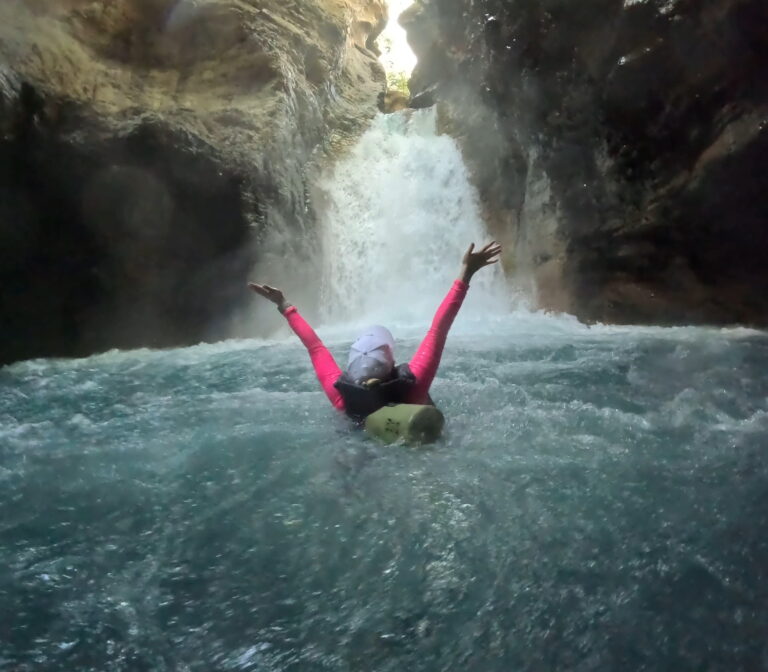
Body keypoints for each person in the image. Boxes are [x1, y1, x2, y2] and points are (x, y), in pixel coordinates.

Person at [248, 241, 501, 423]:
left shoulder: (341, 396)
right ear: (391, 363)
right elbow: (439, 328)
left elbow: (314, 347)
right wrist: (466, 272)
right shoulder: (413, 386)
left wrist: (283, 305)